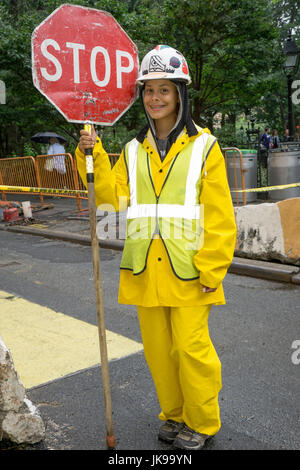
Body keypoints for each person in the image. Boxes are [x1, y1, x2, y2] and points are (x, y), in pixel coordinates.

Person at [75, 45, 236, 450]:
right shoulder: (131, 150)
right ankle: (175, 415)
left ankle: (201, 422)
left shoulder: (205, 148)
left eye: (164, 89)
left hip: (191, 272)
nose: (155, 98)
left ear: (180, 94)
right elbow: (111, 200)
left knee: (190, 348)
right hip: (145, 270)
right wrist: (89, 153)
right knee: (160, 353)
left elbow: (220, 217)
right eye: (148, 90)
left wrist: (212, 268)